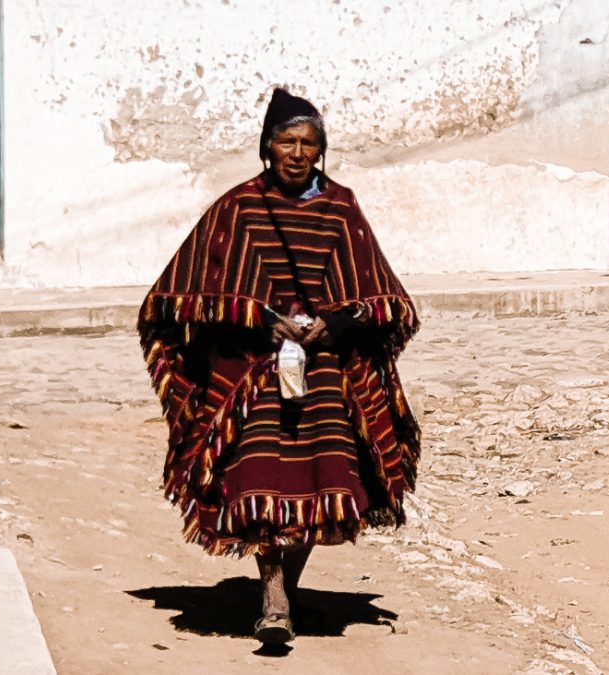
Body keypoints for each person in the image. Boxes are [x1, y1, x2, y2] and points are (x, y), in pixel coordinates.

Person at [138, 87, 421, 646]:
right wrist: (256, 317)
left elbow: (382, 296)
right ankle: (272, 594)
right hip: (254, 372)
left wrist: (336, 324)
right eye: (286, 141)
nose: (296, 152)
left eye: (308, 143)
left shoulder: (341, 207)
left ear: (321, 150)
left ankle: (284, 589)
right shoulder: (238, 207)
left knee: (324, 481)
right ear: (267, 148)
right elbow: (180, 294)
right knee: (261, 478)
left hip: (325, 374)